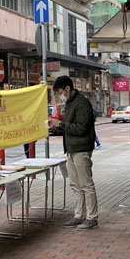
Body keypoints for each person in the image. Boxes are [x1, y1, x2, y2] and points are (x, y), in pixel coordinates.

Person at [50, 76, 99, 230]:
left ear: (67, 89)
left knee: (86, 184)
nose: (60, 96)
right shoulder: (70, 103)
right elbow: (69, 126)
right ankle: (79, 215)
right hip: (71, 149)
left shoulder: (82, 103)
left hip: (82, 149)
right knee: (75, 184)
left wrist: (61, 124)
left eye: (60, 92)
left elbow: (81, 128)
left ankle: (91, 218)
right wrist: (56, 126)